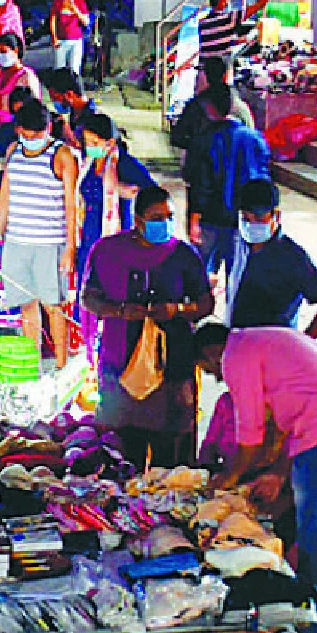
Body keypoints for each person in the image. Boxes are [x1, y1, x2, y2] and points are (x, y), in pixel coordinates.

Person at [195, 322, 317, 633]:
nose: (219, 380)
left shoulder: (236, 355)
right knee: (306, 526)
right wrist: (278, 471)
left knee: (313, 533)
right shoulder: (263, 339)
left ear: (212, 353)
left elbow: (249, 434)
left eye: (210, 371)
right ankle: (296, 616)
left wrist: (229, 480)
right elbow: (280, 422)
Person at [80, 185, 213, 469]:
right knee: (122, 450)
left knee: (170, 452)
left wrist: (177, 309)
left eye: (168, 216)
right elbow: (89, 297)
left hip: (171, 366)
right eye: (156, 217)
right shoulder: (108, 251)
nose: (163, 223)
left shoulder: (184, 255)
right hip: (121, 362)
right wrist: (120, 311)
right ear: (138, 220)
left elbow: (205, 304)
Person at [0, 97, 79, 371]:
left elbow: (71, 206)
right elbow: (4, 196)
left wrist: (69, 249)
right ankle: (33, 366)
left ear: (48, 128)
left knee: (54, 307)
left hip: (49, 244)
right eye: (26, 134)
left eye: (36, 135)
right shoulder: (14, 151)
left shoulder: (62, 156)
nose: (31, 139)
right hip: (16, 242)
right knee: (26, 305)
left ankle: (61, 366)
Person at [226, 178, 317, 336]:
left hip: (274, 345)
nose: (251, 225)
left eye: (259, 219)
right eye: (246, 218)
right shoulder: (238, 242)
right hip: (239, 338)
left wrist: (302, 342)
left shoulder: (292, 257)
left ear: (276, 216)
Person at [184, 84, 272, 284]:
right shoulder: (255, 139)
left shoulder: (204, 140)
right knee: (238, 275)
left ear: (209, 109)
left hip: (210, 219)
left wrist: (194, 219)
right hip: (243, 220)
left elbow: (199, 184)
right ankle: (234, 312)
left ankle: (197, 311)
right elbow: (264, 181)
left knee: (198, 274)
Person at [77, 111, 154, 280]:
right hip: (88, 237)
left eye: (94, 142)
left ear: (110, 142)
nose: (90, 147)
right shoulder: (87, 163)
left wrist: (122, 189)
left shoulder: (125, 164)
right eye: (87, 142)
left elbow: (154, 194)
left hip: (116, 239)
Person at [197, 0, 283, 66]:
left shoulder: (202, 23)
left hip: (204, 69)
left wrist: (238, 40)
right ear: (222, 2)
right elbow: (260, 4)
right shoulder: (230, 18)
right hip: (220, 66)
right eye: (226, 0)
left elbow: (215, 42)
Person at [170, 57, 253, 164]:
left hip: (204, 170)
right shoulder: (241, 107)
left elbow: (177, 137)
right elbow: (249, 140)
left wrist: (198, 146)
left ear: (206, 75)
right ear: (224, 75)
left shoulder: (195, 106)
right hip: (233, 170)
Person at [0, 34, 41, 111]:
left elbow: (34, 107)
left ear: (15, 50)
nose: (0, 55)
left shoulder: (27, 76)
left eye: (3, 52)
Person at [50, 0, 91, 75]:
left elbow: (86, 22)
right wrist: (54, 38)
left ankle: (74, 88)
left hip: (76, 40)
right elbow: (53, 21)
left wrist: (75, 10)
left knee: (74, 68)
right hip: (61, 40)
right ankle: (60, 89)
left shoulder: (80, 2)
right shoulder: (58, 2)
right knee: (59, 68)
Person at [46, 70, 96, 145]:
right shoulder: (75, 111)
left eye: (55, 97)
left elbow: (89, 152)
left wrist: (68, 135)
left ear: (69, 94)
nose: (54, 101)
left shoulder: (94, 119)